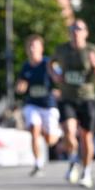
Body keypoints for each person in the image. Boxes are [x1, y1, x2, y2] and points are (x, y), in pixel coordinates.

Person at [50, 19, 95, 188]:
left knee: (86, 136)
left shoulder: (93, 50)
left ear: (86, 33)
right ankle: (73, 160)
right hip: (67, 97)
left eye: (79, 29)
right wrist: (54, 74)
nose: (76, 32)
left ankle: (86, 172)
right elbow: (50, 63)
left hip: (87, 98)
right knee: (68, 132)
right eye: (73, 29)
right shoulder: (62, 50)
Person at [15, 34, 61, 176]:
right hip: (32, 104)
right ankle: (38, 163)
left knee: (50, 140)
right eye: (30, 47)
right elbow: (21, 85)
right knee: (34, 129)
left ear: (41, 48)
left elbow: (59, 78)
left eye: (35, 46)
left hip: (48, 105)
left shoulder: (48, 64)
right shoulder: (26, 66)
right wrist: (20, 87)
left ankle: (58, 132)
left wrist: (59, 89)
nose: (32, 49)